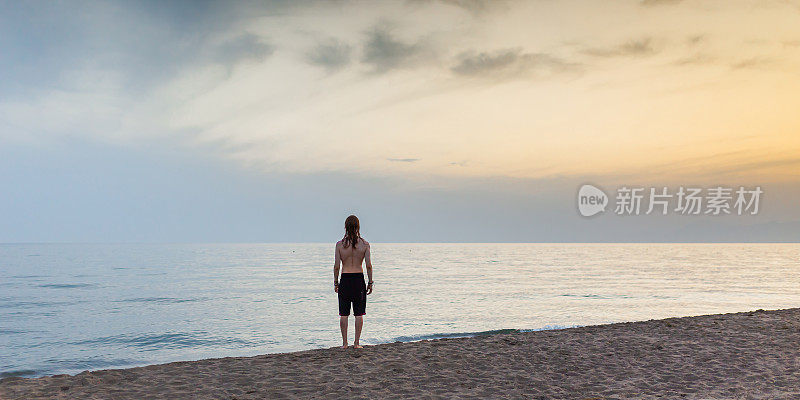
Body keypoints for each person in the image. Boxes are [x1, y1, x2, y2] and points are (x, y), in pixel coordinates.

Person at [333, 215, 374, 349]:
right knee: (358, 313)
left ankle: (345, 343)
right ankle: (356, 343)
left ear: (345, 227)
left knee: (344, 314)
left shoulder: (339, 245)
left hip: (345, 279)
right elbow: (368, 265)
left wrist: (335, 282)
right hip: (358, 280)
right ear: (358, 227)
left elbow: (337, 266)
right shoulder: (365, 244)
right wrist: (370, 282)